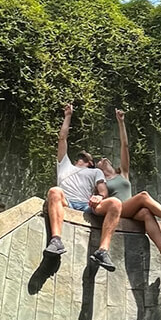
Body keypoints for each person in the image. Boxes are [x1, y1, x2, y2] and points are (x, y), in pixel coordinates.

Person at [96, 108, 161, 268]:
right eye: (100, 160)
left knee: (146, 213)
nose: (104, 159)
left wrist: (121, 122)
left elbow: (125, 146)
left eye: (105, 158)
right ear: (98, 168)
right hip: (118, 210)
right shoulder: (101, 181)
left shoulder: (123, 173)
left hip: (131, 210)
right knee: (143, 195)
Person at [43, 103, 123, 271]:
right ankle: (56, 241)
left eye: (87, 157)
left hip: (87, 205)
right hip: (67, 202)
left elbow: (103, 191)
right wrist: (68, 116)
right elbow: (62, 138)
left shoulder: (94, 173)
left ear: (91, 163)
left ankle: (102, 251)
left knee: (116, 203)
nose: (84, 156)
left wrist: (99, 197)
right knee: (54, 191)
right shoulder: (64, 165)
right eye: (82, 156)